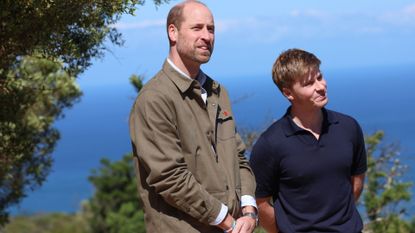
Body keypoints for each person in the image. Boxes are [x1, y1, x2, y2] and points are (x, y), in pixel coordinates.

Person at [129, 1, 257, 232]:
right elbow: (169, 177)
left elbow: (238, 157)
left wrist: (249, 210)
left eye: (211, 29)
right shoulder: (154, 99)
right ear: (173, 32)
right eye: (197, 28)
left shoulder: (218, 92)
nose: (207, 36)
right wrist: (227, 221)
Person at [249, 49, 367, 233]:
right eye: (309, 83)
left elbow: (357, 182)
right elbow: (260, 203)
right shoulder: (270, 144)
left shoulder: (348, 127)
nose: (320, 86)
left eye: (320, 77)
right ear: (288, 93)